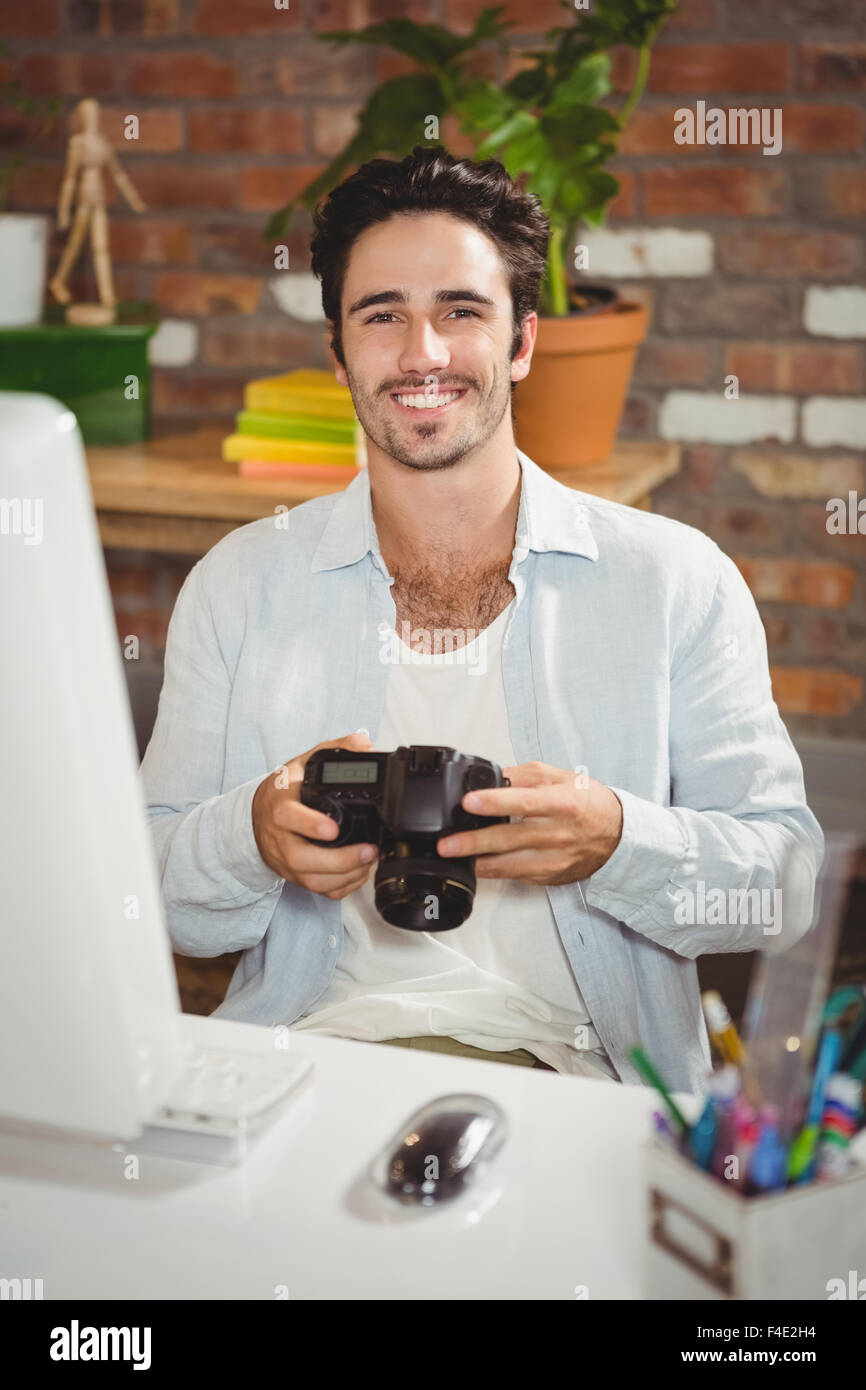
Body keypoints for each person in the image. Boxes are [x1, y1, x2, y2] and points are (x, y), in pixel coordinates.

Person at [141, 146, 824, 1090]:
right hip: (310, 1060)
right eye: (383, 317)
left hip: (582, 1080)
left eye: (460, 312)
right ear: (339, 353)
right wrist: (250, 838)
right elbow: (155, 901)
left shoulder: (675, 581)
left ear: (522, 341)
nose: (422, 353)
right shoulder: (240, 585)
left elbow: (783, 892)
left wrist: (617, 841)